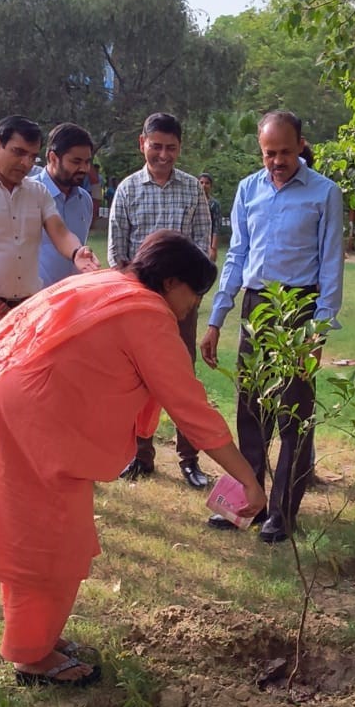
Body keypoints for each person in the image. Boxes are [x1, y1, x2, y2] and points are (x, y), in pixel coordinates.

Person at [0, 232, 266, 687]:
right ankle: (31, 656)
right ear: (170, 282)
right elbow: (192, 410)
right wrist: (248, 479)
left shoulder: (103, 283)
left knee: (32, 535)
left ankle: (37, 636)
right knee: (53, 544)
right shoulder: (146, 312)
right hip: (25, 417)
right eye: (194, 294)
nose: (192, 307)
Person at [200, 111, 345, 544]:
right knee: (250, 411)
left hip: (299, 308)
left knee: (293, 414)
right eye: (269, 153)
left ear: (301, 145)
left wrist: (317, 332)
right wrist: (216, 319)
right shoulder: (248, 190)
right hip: (257, 306)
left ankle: (282, 513)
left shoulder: (325, 193)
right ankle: (245, 503)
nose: (277, 161)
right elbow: (237, 257)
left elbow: (331, 265)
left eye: (284, 152)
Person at [108, 112, 212, 489]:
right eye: (156, 146)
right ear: (143, 144)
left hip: (180, 307)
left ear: (180, 148)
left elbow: (202, 246)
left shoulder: (192, 189)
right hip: (137, 305)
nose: (163, 154)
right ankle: (139, 454)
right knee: (135, 378)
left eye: (171, 147)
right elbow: (117, 252)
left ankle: (189, 458)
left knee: (182, 379)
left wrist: (189, 296)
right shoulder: (128, 190)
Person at [0, 116, 98, 317]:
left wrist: (77, 252)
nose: (26, 163)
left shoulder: (37, 192)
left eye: (32, 156)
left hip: (30, 308)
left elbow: (60, 232)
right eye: (18, 152)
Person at [31, 123, 95, 288]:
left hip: (71, 297)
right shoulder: (27, 193)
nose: (84, 169)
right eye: (76, 161)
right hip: (33, 298)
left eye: (87, 162)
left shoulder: (84, 200)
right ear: (53, 158)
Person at [198, 173, 222, 261]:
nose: (204, 185)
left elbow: (217, 227)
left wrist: (213, 248)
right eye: (201, 182)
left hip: (208, 243)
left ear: (211, 186)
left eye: (207, 183)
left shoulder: (214, 204)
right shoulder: (192, 201)